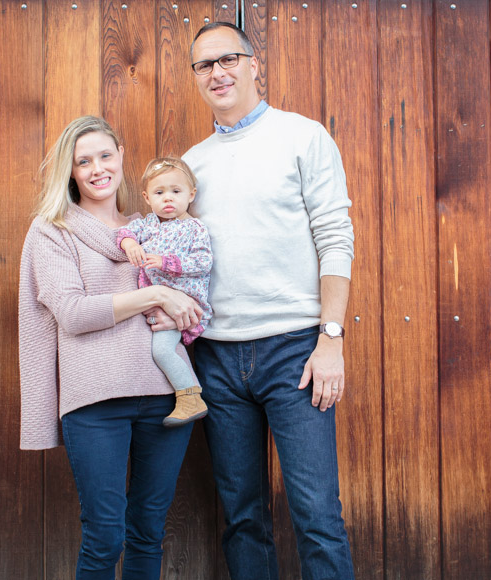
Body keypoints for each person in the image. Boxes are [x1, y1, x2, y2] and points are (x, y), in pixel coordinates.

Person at [184, 20, 356, 580]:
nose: (218, 72)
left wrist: (330, 339)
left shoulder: (303, 137)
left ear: (255, 64)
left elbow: (335, 237)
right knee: (242, 518)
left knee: (316, 516)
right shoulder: (193, 163)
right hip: (216, 357)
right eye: (204, 65)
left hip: (295, 355)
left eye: (228, 58)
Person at [18, 116, 203, 580]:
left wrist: (184, 306)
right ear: (71, 171)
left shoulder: (154, 227)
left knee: (147, 532)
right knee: (104, 536)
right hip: (95, 403)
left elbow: (197, 287)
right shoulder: (53, 230)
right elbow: (74, 313)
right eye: (84, 161)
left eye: (105, 155)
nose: (97, 168)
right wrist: (157, 296)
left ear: (120, 155)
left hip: (166, 398)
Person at [117, 157, 213, 427]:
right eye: (159, 193)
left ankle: (190, 397)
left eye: (176, 191)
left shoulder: (195, 229)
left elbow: (203, 262)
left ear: (191, 194)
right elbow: (124, 231)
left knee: (161, 351)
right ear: (147, 198)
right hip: (155, 304)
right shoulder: (148, 224)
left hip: (185, 304)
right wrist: (129, 244)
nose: (168, 199)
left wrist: (165, 262)